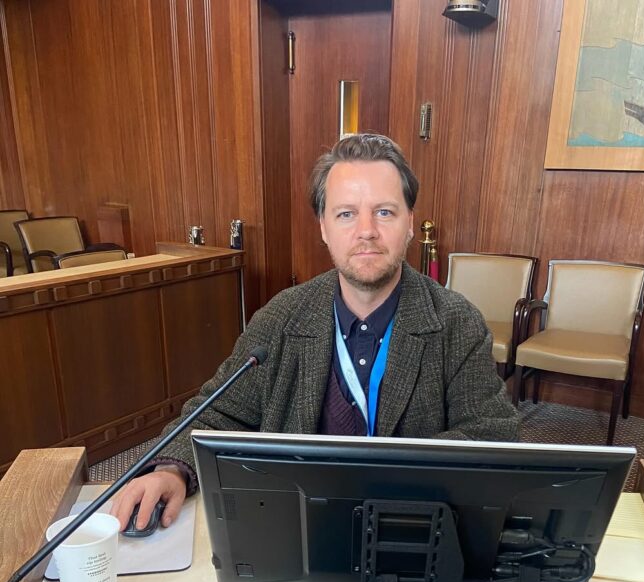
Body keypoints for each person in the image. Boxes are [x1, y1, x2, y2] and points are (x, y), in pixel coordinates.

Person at [111, 134, 517, 531]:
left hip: (412, 530)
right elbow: (218, 411)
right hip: (298, 530)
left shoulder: (456, 323)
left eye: (385, 212)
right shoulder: (283, 316)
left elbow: (492, 434)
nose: (366, 231)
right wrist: (171, 470)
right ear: (323, 226)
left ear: (410, 223)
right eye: (345, 214)